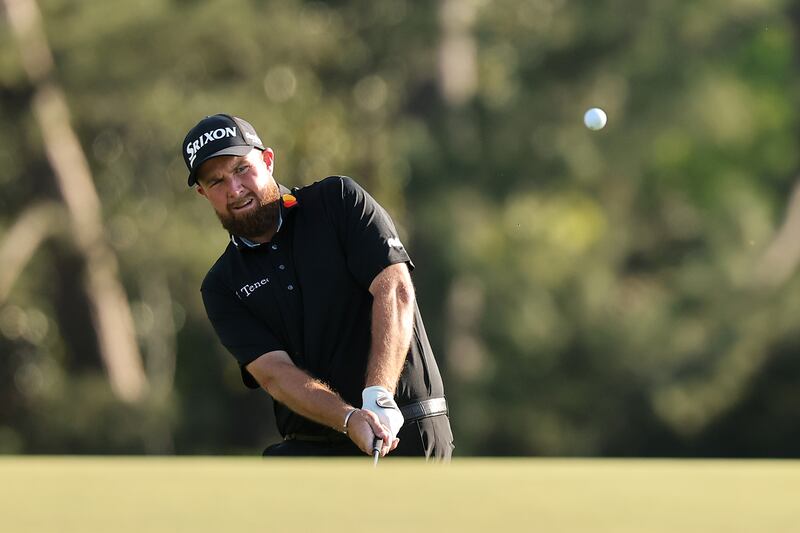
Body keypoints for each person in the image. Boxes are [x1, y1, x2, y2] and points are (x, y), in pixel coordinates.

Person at [182, 114, 454, 459]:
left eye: (240, 169)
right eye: (216, 181)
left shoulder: (337, 202)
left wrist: (379, 394)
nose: (234, 190)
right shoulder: (223, 285)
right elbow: (275, 374)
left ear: (267, 160)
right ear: (202, 193)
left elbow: (394, 289)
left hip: (405, 427)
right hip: (311, 446)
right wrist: (349, 417)